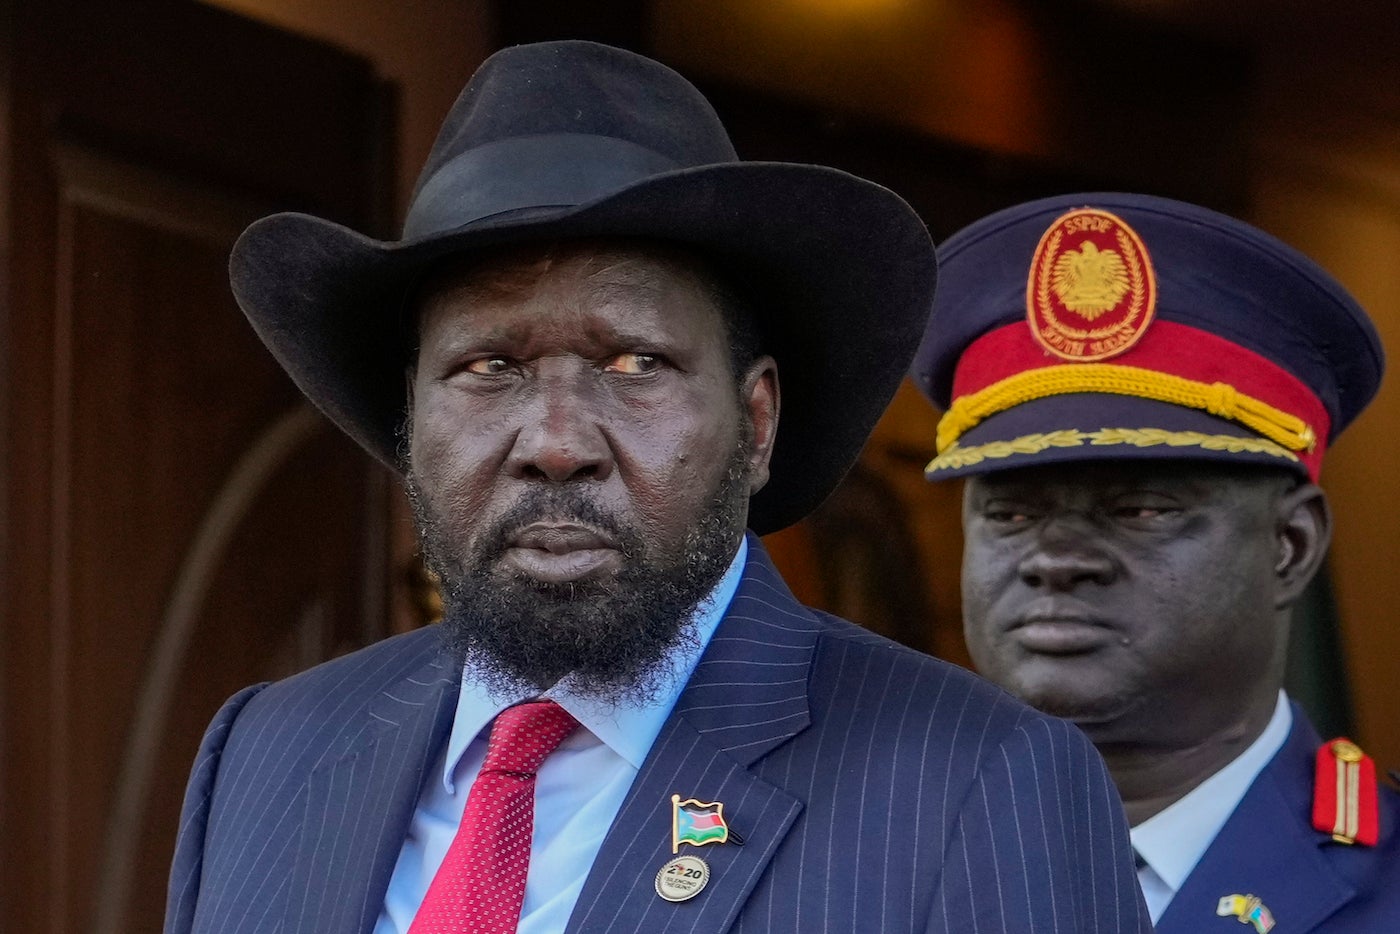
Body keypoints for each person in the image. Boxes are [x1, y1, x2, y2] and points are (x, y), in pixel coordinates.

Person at [164, 43, 1150, 933]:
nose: (554, 444)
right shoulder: (271, 750)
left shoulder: (977, 781)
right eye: (486, 369)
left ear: (754, 422)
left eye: (634, 364)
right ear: (407, 423)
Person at [913, 191, 1400, 933]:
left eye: (1139, 509)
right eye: (1013, 512)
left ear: (1290, 547)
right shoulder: (846, 862)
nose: (1055, 559)